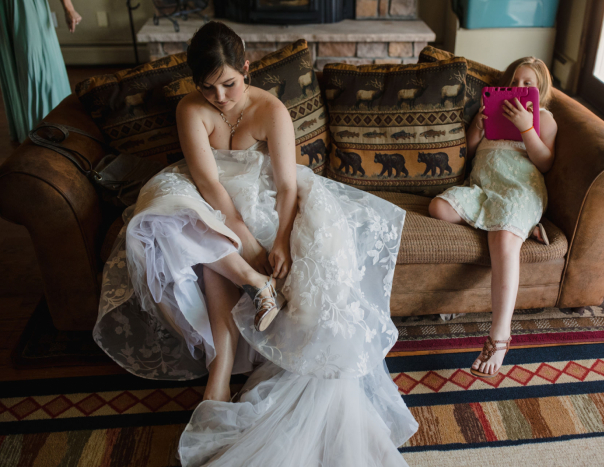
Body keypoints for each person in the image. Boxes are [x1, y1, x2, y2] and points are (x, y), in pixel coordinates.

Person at [94, 21, 417, 466]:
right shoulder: (191, 110)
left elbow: (286, 186)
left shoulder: (271, 110)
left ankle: (221, 372)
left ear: (246, 68)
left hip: (264, 196)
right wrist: (243, 241)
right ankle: (233, 330)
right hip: (208, 196)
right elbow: (208, 182)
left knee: (222, 253)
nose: (221, 97)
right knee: (165, 218)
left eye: (229, 83)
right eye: (209, 89)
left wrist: (281, 240)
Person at [428, 56, 558, 378]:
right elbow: (470, 152)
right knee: (438, 208)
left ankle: (499, 337)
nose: (519, 87)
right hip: (483, 187)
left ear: (539, 90)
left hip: (518, 188)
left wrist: (526, 126)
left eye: (528, 83)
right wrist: (477, 128)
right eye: (515, 81)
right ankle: (521, 227)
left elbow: (544, 162)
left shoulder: (543, 118)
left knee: (501, 237)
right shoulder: (492, 111)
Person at [0, 0, 81, 143]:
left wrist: (69, 9)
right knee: (10, 64)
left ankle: (50, 126)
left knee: (36, 63)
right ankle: (29, 128)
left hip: (26, 5)